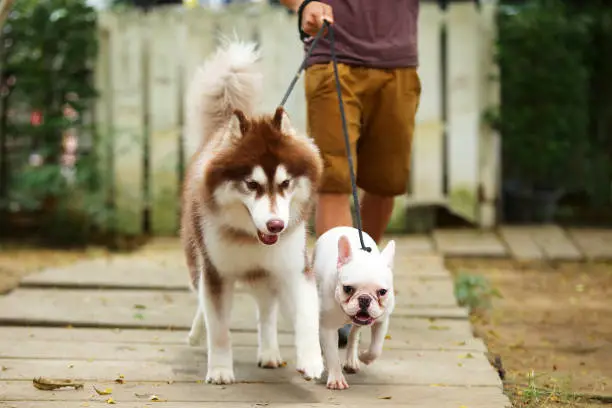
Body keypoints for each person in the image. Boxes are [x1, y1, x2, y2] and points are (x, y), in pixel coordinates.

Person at [278, 0, 421, 347]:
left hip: (398, 62)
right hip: (333, 55)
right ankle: (336, 293)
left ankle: (363, 278)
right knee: (334, 182)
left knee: (386, 183)